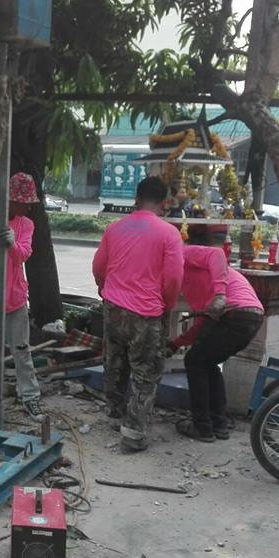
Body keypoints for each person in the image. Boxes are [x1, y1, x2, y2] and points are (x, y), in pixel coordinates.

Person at [92, 175, 184, 452]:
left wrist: (104, 288)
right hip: (145, 312)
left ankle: (114, 414)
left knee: (115, 362)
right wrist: (167, 303)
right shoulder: (169, 233)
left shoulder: (115, 228)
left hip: (113, 307)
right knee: (146, 372)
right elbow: (173, 278)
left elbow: (99, 266)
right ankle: (133, 433)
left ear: (136, 198)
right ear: (164, 203)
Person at [168, 232, 264, 442]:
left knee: (195, 361)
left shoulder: (180, 253)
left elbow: (216, 254)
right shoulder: (193, 281)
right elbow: (204, 324)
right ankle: (218, 423)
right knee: (206, 362)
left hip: (235, 312)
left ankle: (202, 427)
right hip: (251, 316)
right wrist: (175, 344)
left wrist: (220, 294)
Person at [3, 172, 43, 420]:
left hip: (15, 297)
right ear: (11, 200)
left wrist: (12, 244)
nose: (27, 207)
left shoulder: (25, 224)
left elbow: (24, 254)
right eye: (23, 203)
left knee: (21, 350)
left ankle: (30, 396)